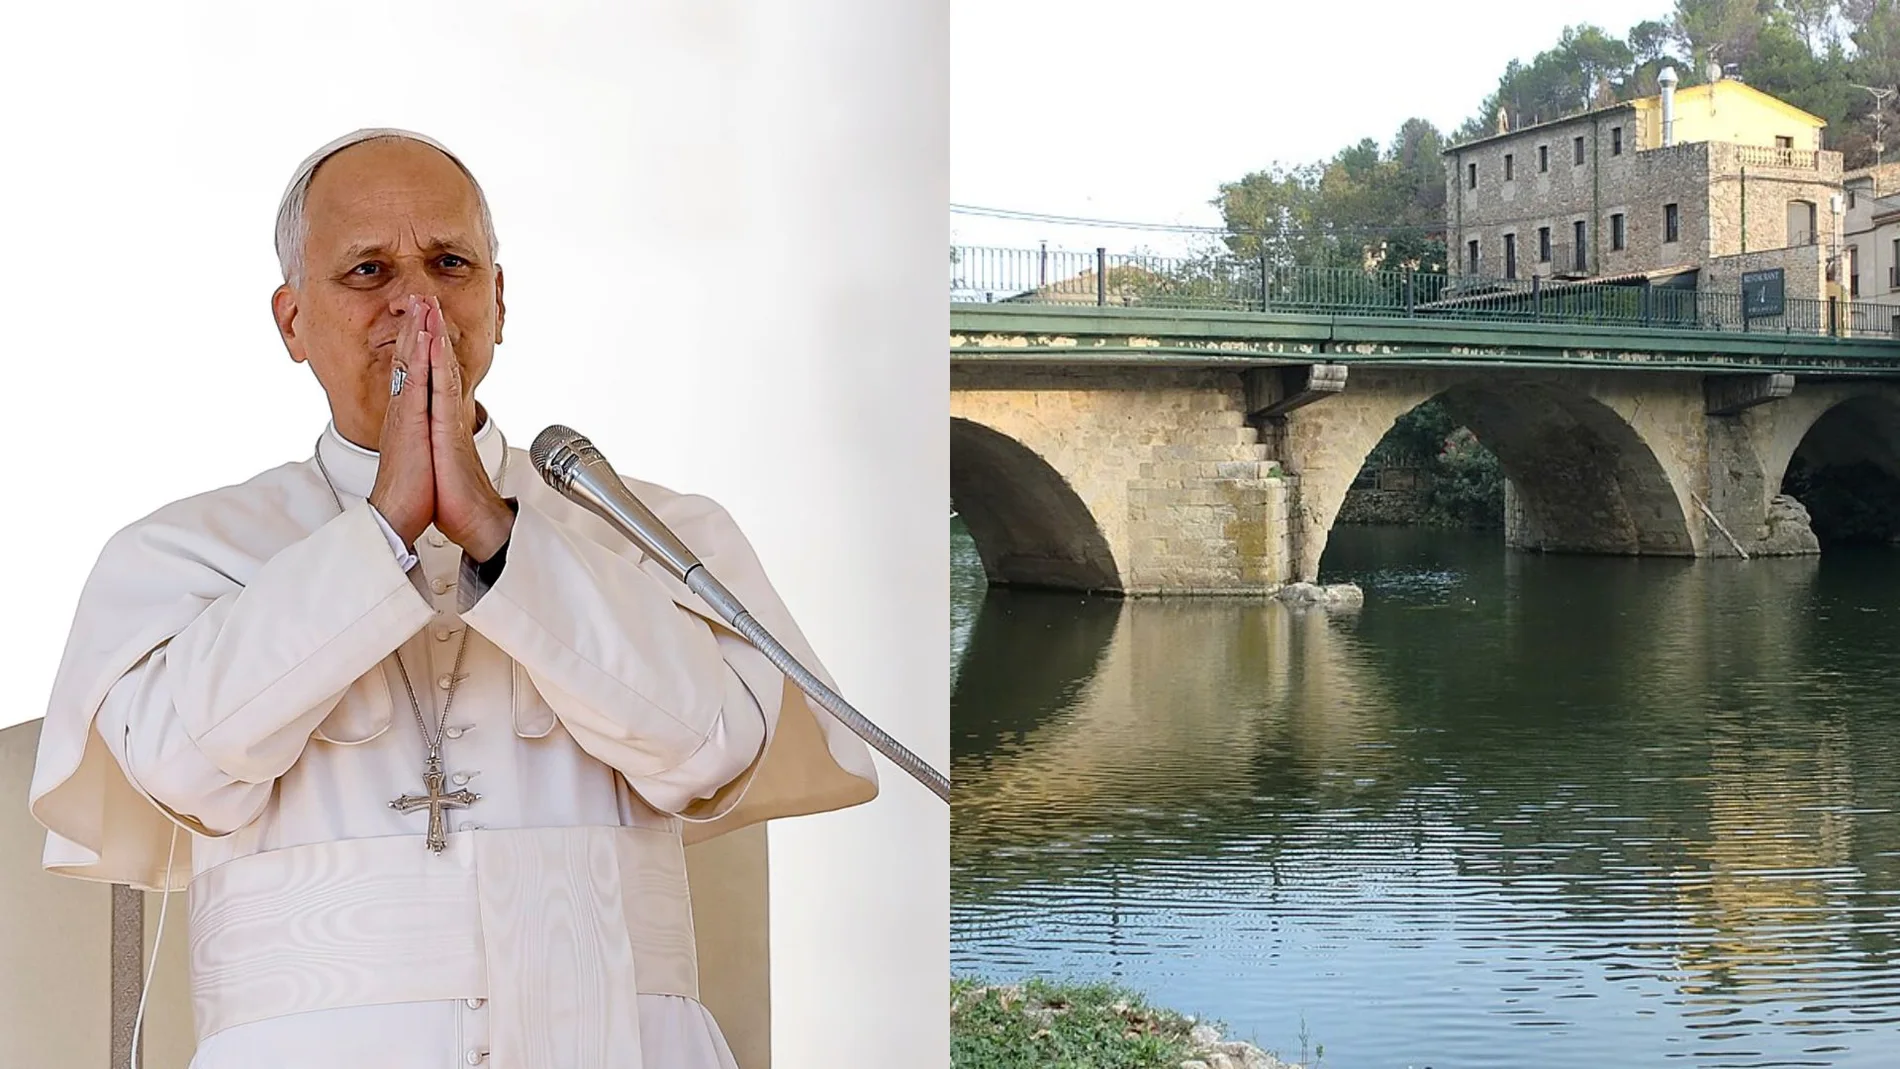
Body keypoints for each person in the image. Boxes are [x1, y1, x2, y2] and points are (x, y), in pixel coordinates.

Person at [27, 128, 878, 1068]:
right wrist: (382, 530)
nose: (417, 301)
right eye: (366, 270)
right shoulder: (182, 551)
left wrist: (503, 539)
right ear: (292, 321)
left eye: (449, 262)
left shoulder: (653, 533)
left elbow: (713, 750)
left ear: (499, 301)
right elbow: (181, 773)